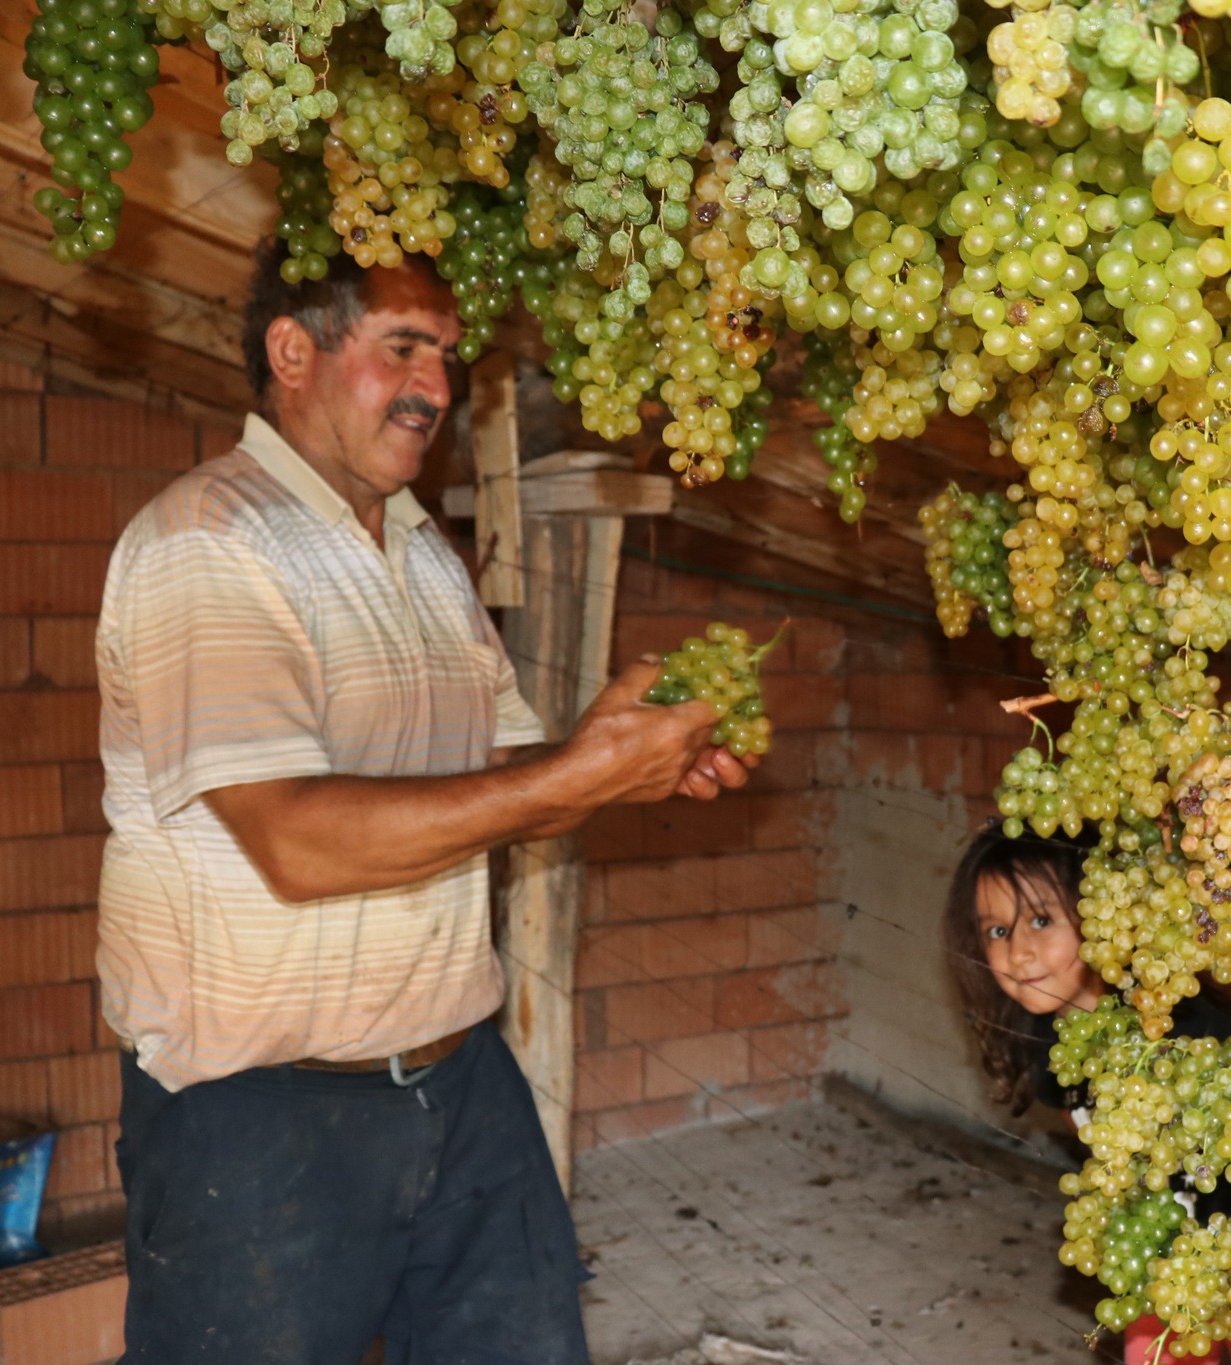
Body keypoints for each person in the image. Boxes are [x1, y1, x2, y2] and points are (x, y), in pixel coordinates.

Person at [94, 244, 751, 1364]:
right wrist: (576, 773)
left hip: (459, 1080)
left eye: (446, 356)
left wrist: (615, 750)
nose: (436, 388)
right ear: (291, 352)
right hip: (257, 1117)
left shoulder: (420, 554)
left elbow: (504, 788)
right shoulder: (210, 542)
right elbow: (295, 840)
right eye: (401, 346)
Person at [942, 822, 1231, 1365]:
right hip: (1159, 1268)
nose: (1018, 953)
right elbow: (1087, 1142)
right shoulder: (1048, 1047)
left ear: (1105, 912)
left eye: (1041, 920)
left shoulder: (1184, 1023)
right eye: (996, 931)